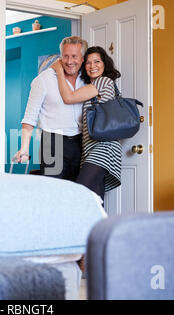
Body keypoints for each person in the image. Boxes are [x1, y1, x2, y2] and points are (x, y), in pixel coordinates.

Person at [14, 36, 98, 181]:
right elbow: (29, 117)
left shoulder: (87, 80)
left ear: (83, 58)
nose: (69, 61)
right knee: (53, 192)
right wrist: (24, 148)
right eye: (65, 56)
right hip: (53, 142)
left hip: (81, 142)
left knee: (76, 191)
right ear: (61, 56)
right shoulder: (43, 80)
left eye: (74, 56)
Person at [51, 46, 122, 202]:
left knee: (80, 192)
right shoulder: (91, 87)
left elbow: (68, 98)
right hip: (91, 148)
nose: (92, 66)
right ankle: (99, 226)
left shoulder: (103, 81)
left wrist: (59, 71)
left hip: (104, 148)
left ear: (105, 64)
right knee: (94, 199)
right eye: (88, 63)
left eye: (97, 61)